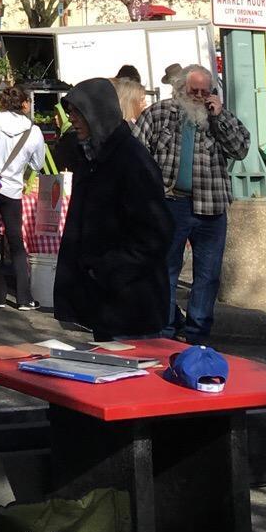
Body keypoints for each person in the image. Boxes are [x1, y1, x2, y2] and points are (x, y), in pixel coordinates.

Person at [135, 63, 251, 344]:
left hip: (211, 206)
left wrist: (220, 116)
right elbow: (137, 155)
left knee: (208, 275)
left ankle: (198, 332)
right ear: (180, 90)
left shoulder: (219, 117)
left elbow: (240, 149)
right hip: (171, 203)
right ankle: (165, 328)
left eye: (205, 91)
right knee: (167, 269)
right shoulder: (159, 114)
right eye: (194, 91)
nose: (200, 96)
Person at [54, 78, 174, 340]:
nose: (72, 119)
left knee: (131, 375)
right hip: (107, 301)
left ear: (96, 113)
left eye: (77, 112)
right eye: (71, 112)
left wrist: (107, 269)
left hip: (132, 302)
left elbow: (157, 232)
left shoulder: (131, 160)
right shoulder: (93, 157)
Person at [0, 83, 48, 310]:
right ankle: (24, 297)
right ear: (24, 103)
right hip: (13, 188)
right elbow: (38, 163)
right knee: (15, 241)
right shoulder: (34, 131)